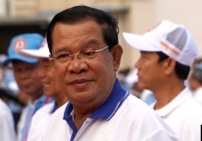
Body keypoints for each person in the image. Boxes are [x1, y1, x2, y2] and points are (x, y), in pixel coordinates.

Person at [42, 5, 179, 141]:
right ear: (53, 64)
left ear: (115, 57)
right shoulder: (54, 123)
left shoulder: (147, 130)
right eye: (64, 56)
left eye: (89, 53)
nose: (76, 66)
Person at [123, 20, 202, 141]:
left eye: (144, 57)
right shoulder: (147, 113)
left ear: (169, 64)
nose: (137, 65)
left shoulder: (197, 121)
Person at [2, 33, 52, 141]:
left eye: (30, 68)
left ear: (46, 64)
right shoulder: (29, 108)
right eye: (18, 70)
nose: (23, 76)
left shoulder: (58, 107)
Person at [17, 38, 68, 141]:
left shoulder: (85, 117)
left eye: (46, 66)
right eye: (40, 65)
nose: (40, 74)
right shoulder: (40, 114)